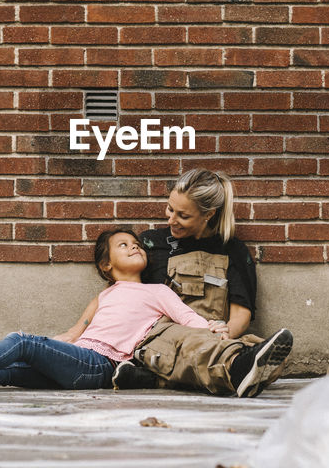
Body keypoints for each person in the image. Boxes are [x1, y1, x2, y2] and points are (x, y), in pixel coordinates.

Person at [0, 227, 288, 397]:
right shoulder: (103, 297)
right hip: (80, 356)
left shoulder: (158, 291)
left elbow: (191, 320)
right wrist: (40, 348)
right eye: (123, 246)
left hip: (101, 366)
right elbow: (72, 336)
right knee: (8, 370)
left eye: (137, 245)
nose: (134, 248)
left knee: (22, 342)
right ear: (106, 266)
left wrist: (218, 329)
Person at [112, 168, 294, 397]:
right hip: (163, 336)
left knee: (268, 355)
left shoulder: (234, 251)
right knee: (194, 342)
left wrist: (226, 331)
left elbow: (241, 314)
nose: (171, 219)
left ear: (208, 214)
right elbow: (123, 294)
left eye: (183, 216)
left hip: (211, 334)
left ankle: (156, 379)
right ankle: (235, 372)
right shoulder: (150, 244)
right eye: (170, 209)